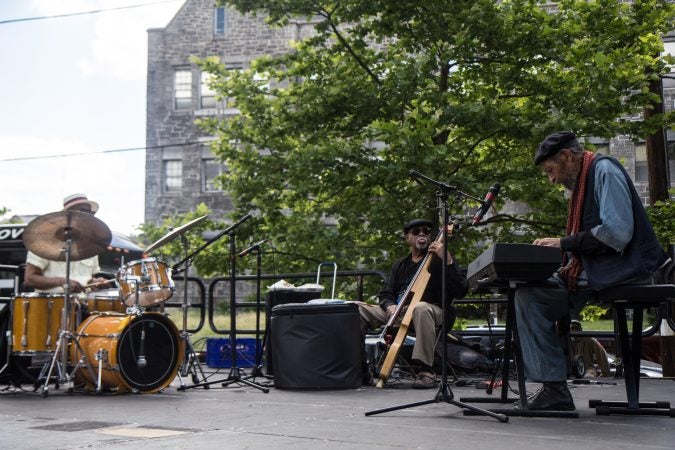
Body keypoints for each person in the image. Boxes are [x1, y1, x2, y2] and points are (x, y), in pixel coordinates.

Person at [514, 131, 667, 410]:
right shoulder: (584, 180)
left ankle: (554, 389)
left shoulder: (604, 170)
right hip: (600, 271)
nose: (552, 179)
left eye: (551, 170)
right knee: (527, 289)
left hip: (627, 271)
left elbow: (617, 233)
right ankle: (553, 387)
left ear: (566, 157)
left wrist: (563, 243)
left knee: (531, 296)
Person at [359, 218, 468, 388]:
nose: (422, 234)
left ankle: (426, 371)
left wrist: (448, 261)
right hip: (400, 310)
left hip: (435, 312)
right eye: (416, 232)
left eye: (426, 231)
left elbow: (462, 290)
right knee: (356, 309)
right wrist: (389, 306)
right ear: (407, 238)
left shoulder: (439, 260)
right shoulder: (400, 265)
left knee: (420, 308)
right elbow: (386, 293)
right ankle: (360, 367)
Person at [24, 193, 109, 295]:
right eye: (83, 211)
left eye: (90, 212)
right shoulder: (43, 243)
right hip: (51, 305)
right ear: (67, 215)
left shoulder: (91, 247)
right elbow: (30, 279)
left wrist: (96, 282)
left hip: (82, 305)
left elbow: (88, 280)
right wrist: (62, 282)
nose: (89, 216)